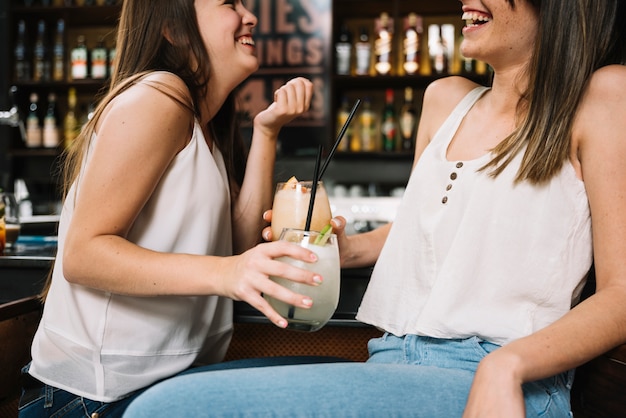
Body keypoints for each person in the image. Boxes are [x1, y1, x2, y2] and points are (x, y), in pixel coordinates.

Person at [121, 0, 626, 417]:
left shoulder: (606, 97)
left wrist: (507, 366)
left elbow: (622, 294)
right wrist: (341, 248)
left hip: (495, 378)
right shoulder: (446, 99)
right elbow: (426, 228)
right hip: (391, 358)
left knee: (166, 409)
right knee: (166, 398)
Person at [17, 0, 330, 417]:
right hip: (94, 399)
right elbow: (82, 254)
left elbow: (240, 243)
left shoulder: (206, 122)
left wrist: (266, 131)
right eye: (228, 3)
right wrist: (227, 273)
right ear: (174, 28)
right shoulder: (159, 97)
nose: (249, 15)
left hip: (164, 387)